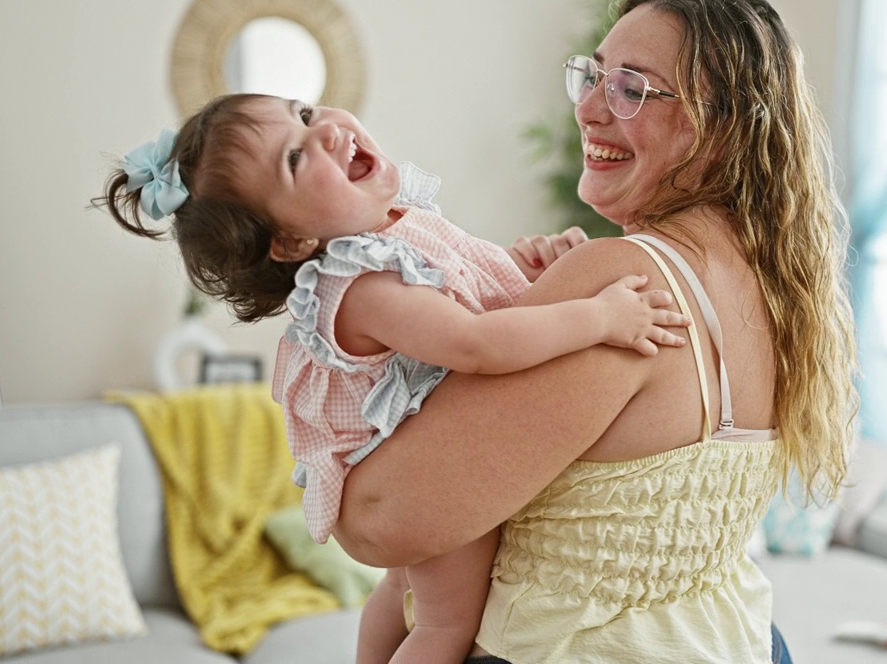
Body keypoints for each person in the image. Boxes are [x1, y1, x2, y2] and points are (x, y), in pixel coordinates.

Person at [329, 0, 859, 664]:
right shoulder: (776, 288)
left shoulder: (623, 282)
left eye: (632, 89)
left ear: (721, 126)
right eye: (594, 76)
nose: (587, 108)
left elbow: (380, 522)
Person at [95, 95, 693, 663]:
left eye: (303, 113)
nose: (324, 129)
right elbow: (475, 345)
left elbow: (469, 291)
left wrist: (526, 268)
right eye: (297, 157)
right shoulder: (360, 282)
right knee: (446, 623)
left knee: (396, 593)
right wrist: (599, 318)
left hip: (415, 455)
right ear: (291, 240)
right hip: (422, 472)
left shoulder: (394, 228)